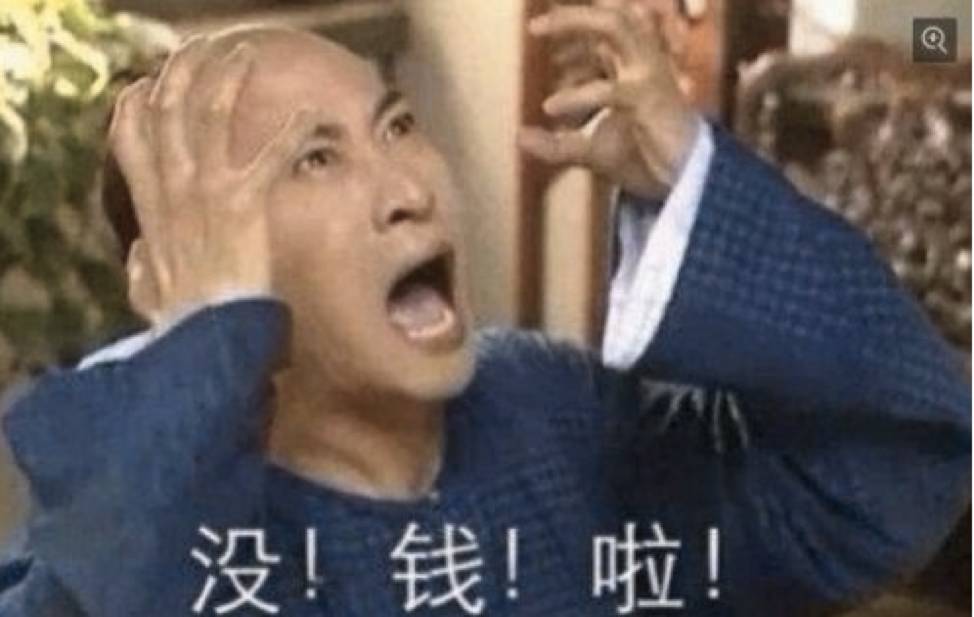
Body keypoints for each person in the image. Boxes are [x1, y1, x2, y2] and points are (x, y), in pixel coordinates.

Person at [0, 2, 969, 615]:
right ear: (183, 267)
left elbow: (895, 467)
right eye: (315, 158)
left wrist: (694, 191)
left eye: (397, 124)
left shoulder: (550, 410)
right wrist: (200, 356)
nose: (406, 189)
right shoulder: (133, 546)